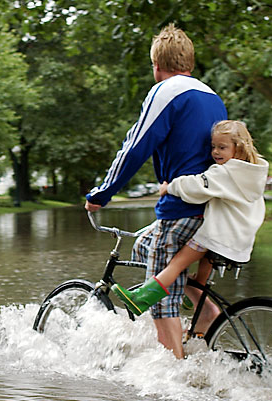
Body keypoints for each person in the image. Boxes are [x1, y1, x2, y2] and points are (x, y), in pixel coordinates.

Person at [84, 24, 227, 359]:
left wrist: (101, 194)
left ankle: (173, 387)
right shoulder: (212, 96)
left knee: (161, 303)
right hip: (211, 209)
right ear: (189, 63)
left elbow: (135, 147)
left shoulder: (166, 91)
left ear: (156, 65)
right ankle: (201, 307)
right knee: (146, 244)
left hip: (179, 210)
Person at [112, 120, 269, 333]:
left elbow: (196, 185)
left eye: (222, 147)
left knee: (176, 265)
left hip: (216, 236)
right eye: (213, 146)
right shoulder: (252, 174)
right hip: (237, 240)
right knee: (198, 281)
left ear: (238, 149)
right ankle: (201, 326)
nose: (215, 152)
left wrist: (170, 187)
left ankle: (141, 298)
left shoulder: (226, 173)